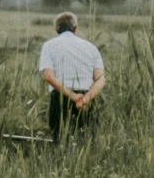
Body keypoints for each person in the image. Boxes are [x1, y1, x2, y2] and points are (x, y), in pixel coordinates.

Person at [38, 11, 106, 141]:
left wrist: (74, 97)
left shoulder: (49, 46)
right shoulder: (91, 47)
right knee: (87, 142)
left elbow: (49, 77)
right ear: (75, 28)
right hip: (87, 98)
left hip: (60, 97)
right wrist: (84, 100)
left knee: (60, 140)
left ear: (56, 29)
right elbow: (100, 80)